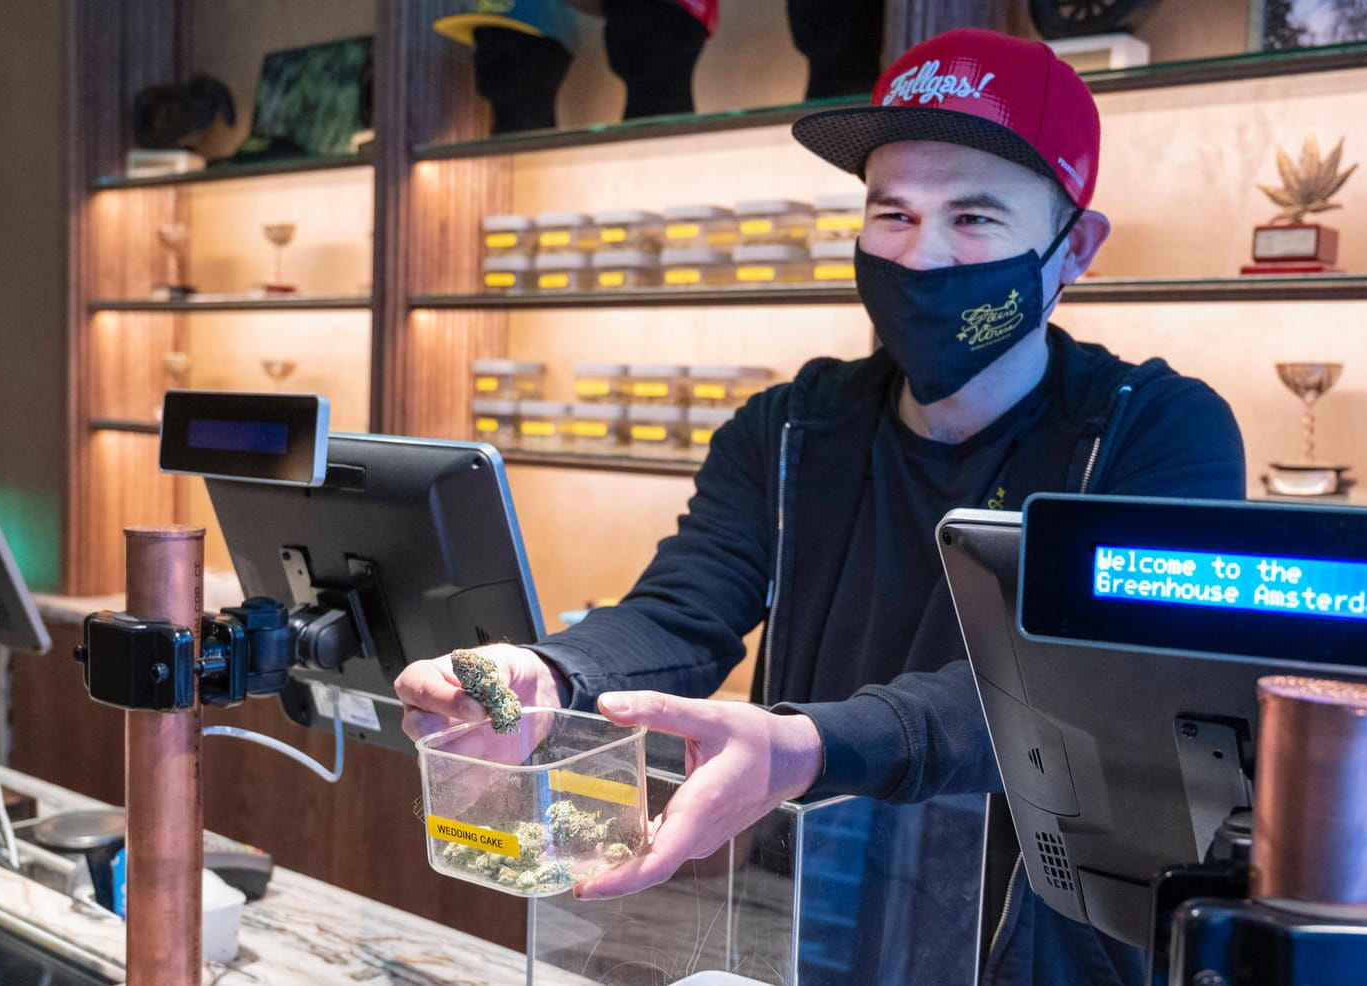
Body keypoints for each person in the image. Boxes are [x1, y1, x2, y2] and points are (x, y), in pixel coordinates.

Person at [396, 27, 1245, 985]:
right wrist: (550, 671)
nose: (922, 258)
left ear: (1073, 247)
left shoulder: (1152, 434)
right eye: (892, 214)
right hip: (805, 913)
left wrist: (806, 745)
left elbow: (1082, 688)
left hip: (1040, 944)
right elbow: (684, 608)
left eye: (974, 219)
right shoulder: (792, 428)